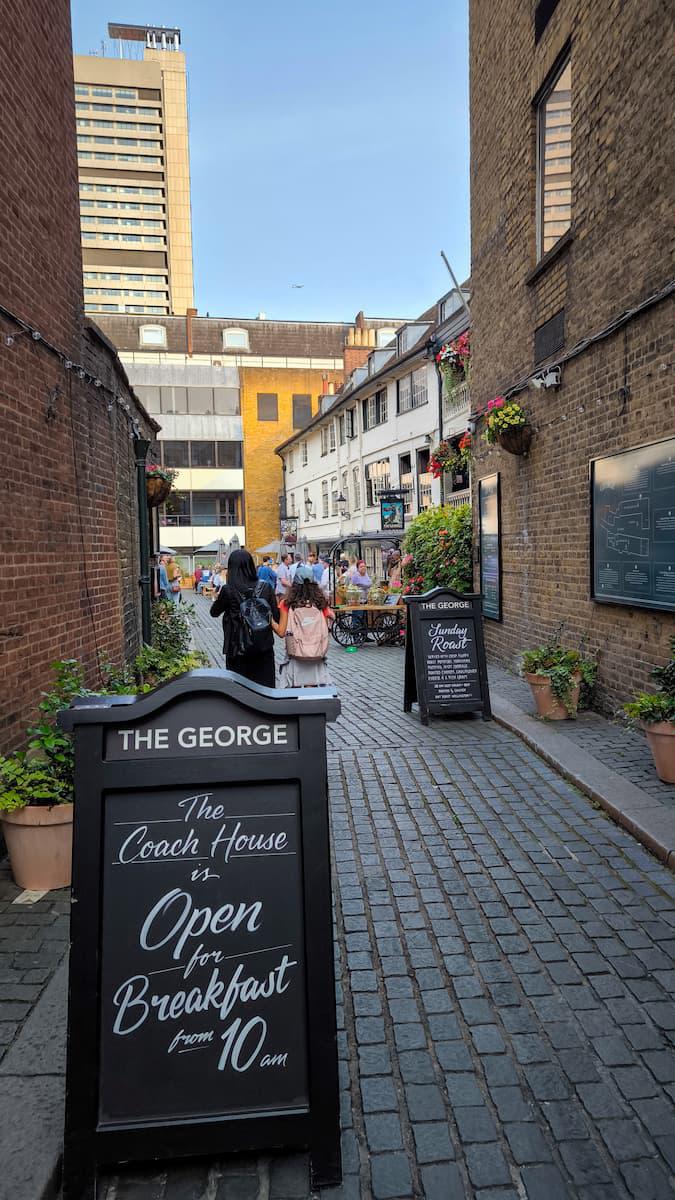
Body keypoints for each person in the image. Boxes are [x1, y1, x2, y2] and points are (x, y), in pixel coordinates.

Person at [210, 549, 279, 688]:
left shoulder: (228, 589)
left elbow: (214, 612)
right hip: (262, 646)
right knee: (265, 687)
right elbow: (276, 616)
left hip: (237, 648)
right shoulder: (265, 587)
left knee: (239, 690)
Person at [272, 565, 333, 688]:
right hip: (316, 654)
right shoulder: (321, 602)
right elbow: (327, 624)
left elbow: (281, 632)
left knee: (294, 691)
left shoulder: (287, 603)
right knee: (313, 691)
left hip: (295, 655)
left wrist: (270, 620)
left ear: (294, 584)